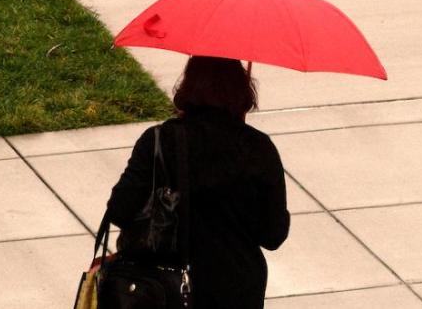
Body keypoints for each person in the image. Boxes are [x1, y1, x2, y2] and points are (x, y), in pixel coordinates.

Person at [105, 56, 290, 307]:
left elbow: (120, 210)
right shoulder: (259, 148)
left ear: (187, 87)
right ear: (242, 92)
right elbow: (273, 234)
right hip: (236, 289)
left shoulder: (159, 141)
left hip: (162, 287)